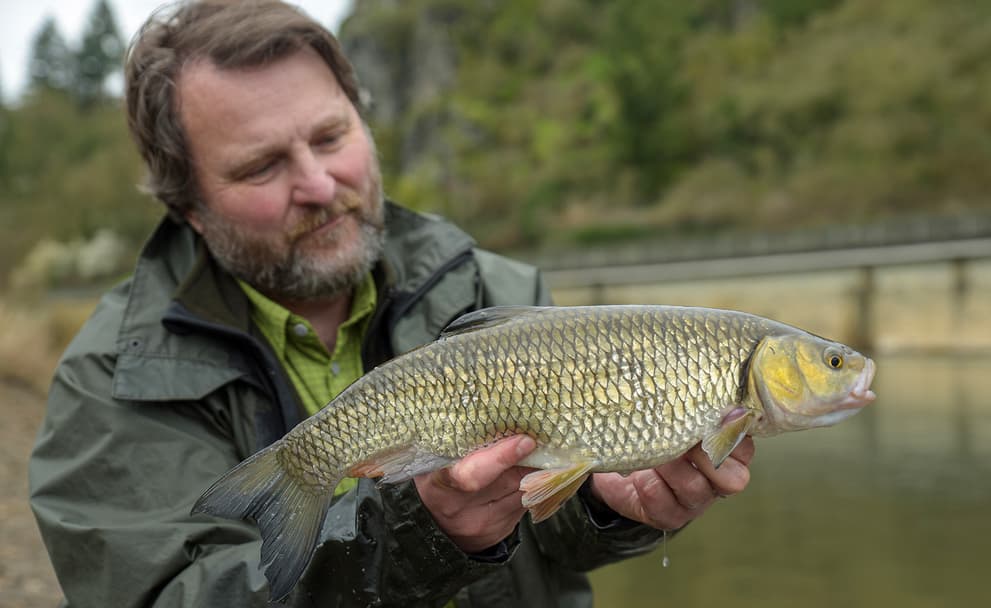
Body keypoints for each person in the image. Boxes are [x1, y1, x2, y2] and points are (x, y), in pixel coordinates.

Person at [27, 1, 755, 606]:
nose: (318, 183)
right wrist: (419, 530)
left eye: (331, 136)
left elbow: (555, 544)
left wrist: (609, 507)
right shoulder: (112, 377)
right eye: (262, 166)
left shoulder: (498, 295)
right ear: (188, 206)